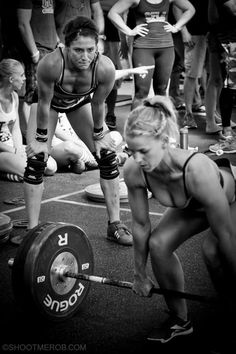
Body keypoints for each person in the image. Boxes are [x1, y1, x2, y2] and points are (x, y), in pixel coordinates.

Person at [123, 94, 236, 343]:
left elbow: (225, 234)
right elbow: (141, 226)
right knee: (158, 244)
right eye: (131, 150)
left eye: (143, 151)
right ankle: (180, 319)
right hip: (192, 205)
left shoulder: (197, 170)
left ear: (164, 142)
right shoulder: (134, 170)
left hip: (230, 199)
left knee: (213, 252)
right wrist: (139, 274)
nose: (137, 159)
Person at [23, 15, 133, 246]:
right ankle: (31, 231)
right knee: (37, 161)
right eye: (78, 50)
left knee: (107, 157)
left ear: (98, 46)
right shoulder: (50, 64)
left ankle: (115, 224)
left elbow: (98, 104)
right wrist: (42, 140)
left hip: (79, 103)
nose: (85, 56)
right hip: (48, 106)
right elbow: (43, 104)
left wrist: (99, 136)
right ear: (65, 46)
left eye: (90, 49)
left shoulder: (104, 67)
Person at [108, 0, 195, 110]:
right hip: (143, 48)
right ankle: (135, 126)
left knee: (162, 91)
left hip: (166, 48)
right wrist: (129, 31)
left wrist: (177, 27)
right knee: (141, 93)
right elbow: (113, 13)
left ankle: (161, 126)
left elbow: (190, 9)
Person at [0, 59, 56, 182]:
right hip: (3, 152)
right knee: (33, 170)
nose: (24, 78)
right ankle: (4, 174)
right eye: (21, 75)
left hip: (13, 149)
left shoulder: (14, 96)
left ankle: (14, 173)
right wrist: (13, 151)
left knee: (51, 166)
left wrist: (19, 149)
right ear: (10, 80)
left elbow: (15, 129)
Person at [174, 0, 209, 129]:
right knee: (192, 73)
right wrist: (184, 31)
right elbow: (176, 8)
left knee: (206, 73)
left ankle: (208, 111)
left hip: (207, 33)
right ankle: (188, 114)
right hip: (194, 33)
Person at [208, 0, 236, 154]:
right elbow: (213, 17)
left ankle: (229, 137)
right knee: (228, 86)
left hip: (230, 40)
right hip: (226, 39)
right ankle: (229, 135)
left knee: (230, 87)